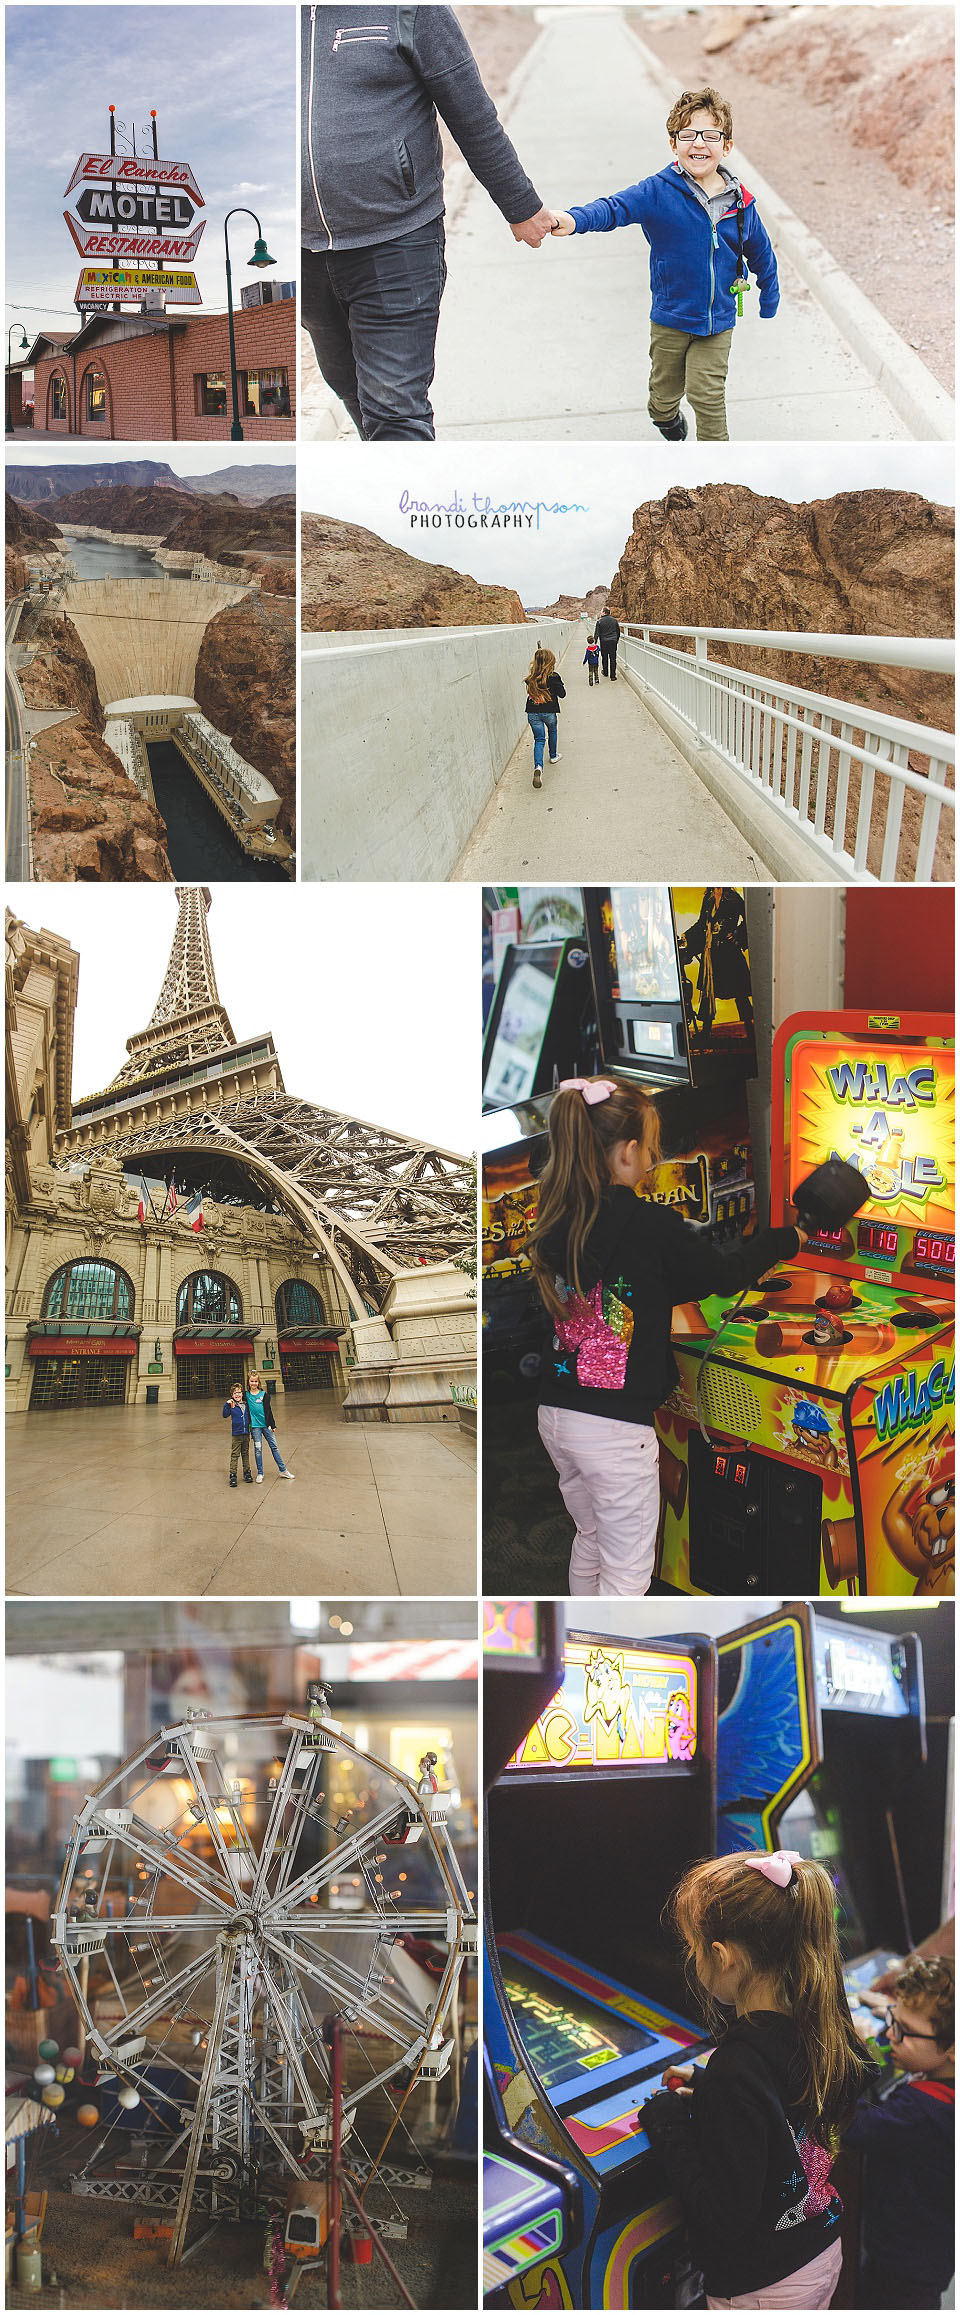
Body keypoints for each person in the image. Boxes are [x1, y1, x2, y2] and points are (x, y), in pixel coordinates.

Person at [527, 1076, 799, 1593]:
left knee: (590, 1537)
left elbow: (642, 1286)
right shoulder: (649, 1223)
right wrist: (786, 1239)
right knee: (629, 1571)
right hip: (614, 1431)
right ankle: (599, 1665)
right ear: (627, 1153)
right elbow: (722, 1275)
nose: (652, 1163)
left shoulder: (557, 1216)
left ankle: (577, 1636)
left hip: (556, 1416)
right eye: (650, 1151)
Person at [302, 4, 555, 440]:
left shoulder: (412, 9)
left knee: (394, 409)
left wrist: (521, 206)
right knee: (349, 387)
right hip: (303, 253)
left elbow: (471, 114)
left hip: (397, 242)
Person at [639, 1849, 874, 2310]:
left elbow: (725, 2217)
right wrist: (707, 2086)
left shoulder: (738, 2068)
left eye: (693, 1947)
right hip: (818, 2251)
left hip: (765, 2286)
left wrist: (668, 2123)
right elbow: (783, 2101)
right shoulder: (815, 2025)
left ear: (723, 1957)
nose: (692, 1958)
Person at [550, 86, 779, 442]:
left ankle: (717, 474)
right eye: (687, 135)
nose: (698, 144)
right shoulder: (657, 191)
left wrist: (769, 296)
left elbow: (761, 252)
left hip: (718, 319)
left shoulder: (741, 202)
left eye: (710, 136)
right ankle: (665, 417)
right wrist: (573, 219)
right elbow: (614, 208)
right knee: (663, 393)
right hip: (671, 317)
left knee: (708, 396)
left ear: (727, 146)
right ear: (674, 144)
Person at [843, 1956, 954, 2310]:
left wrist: (851, 2060)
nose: (891, 2034)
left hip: (903, 2265)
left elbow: (853, 2129)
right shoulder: (938, 2080)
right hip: (928, 2254)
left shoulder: (920, 2111)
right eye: (893, 2019)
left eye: (903, 2029)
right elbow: (899, 2049)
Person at [524, 646, 566, 790]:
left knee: (539, 740)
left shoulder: (530, 678)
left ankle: (538, 767)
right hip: (549, 712)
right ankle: (553, 756)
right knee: (552, 732)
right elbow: (562, 694)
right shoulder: (554, 677)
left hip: (532, 713)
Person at [245, 1371, 295, 1483]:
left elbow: (269, 1411)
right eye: (251, 1381)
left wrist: (273, 1424)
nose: (253, 1383)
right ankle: (260, 1473)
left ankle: (283, 1470)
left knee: (274, 1447)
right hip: (255, 1427)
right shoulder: (246, 1395)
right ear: (248, 1382)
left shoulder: (265, 1395)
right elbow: (236, 1397)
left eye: (255, 1381)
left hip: (266, 1426)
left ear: (258, 1382)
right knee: (258, 1450)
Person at [222, 1383, 253, 1487]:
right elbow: (224, 1415)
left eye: (239, 1392)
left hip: (246, 1434)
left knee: (245, 1453)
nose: (238, 1395)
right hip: (236, 1434)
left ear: (242, 1393)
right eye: (235, 1393)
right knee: (235, 1454)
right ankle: (233, 1475)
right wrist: (226, 1404)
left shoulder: (246, 1404)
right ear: (232, 1395)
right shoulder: (232, 1405)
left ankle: (247, 1472)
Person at [595, 607, 621, 679]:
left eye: (601, 611)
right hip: (613, 641)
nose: (600, 613)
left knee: (604, 657)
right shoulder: (614, 620)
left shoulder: (599, 621)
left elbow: (596, 633)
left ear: (604, 612)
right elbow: (618, 632)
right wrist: (616, 640)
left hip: (604, 642)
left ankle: (605, 672)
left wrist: (594, 643)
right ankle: (613, 676)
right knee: (613, 658)